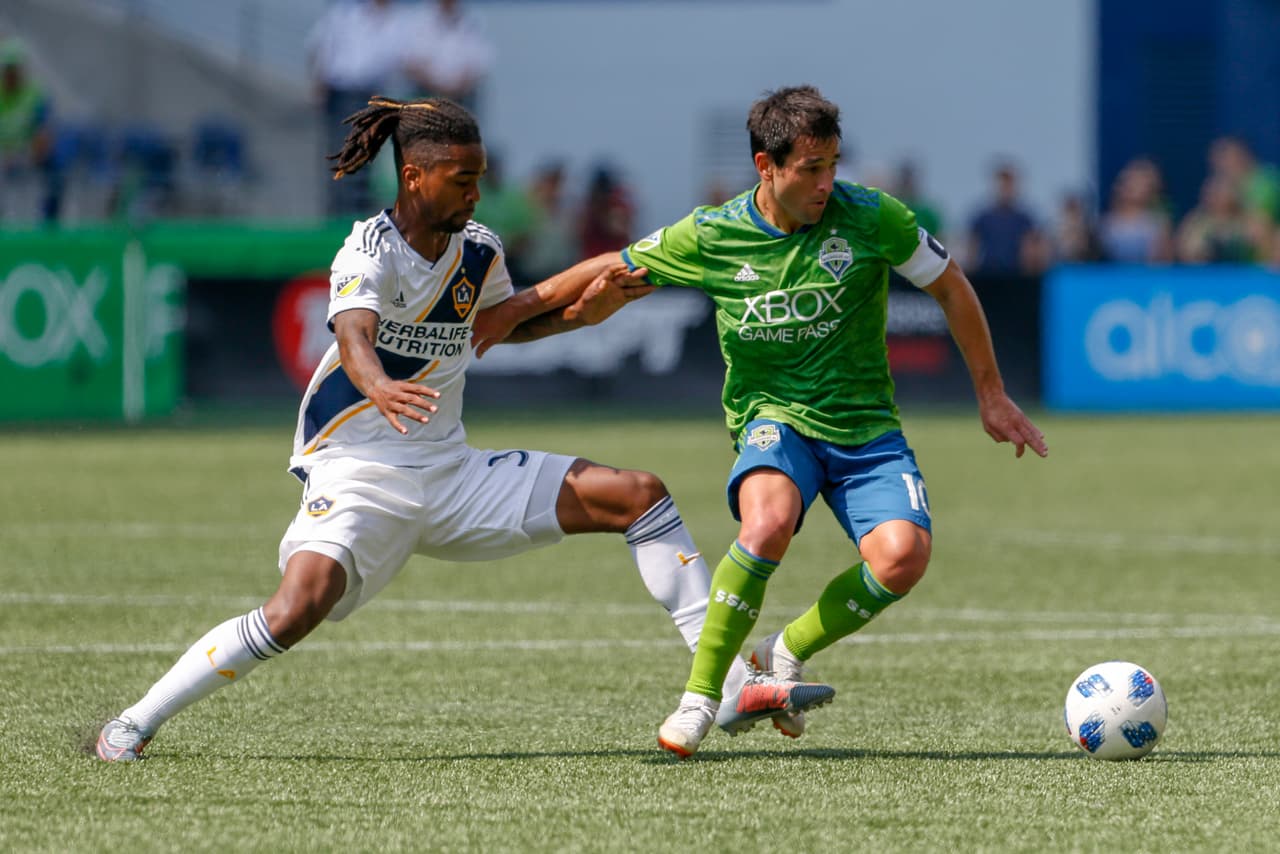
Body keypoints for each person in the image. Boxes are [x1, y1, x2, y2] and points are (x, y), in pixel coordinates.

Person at [95, 95, 826, 762]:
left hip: (450, 473)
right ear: (413, 177)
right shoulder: (368, 251)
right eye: (461, 179)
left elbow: (500, 328)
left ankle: (729, 681)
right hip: (358, 471)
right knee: (294, 609)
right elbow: (352, 333)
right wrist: (379, 385)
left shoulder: (477, 248)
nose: (476, 193)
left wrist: (584, 315)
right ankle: (135, 720)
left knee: (638, 494)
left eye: (479, 178)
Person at [475, 85, 1047, 758]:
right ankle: (700, 699)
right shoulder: (712, 234)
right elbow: (611, 267)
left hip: (866, 427)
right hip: (772, 419)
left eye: (833, 165)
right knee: (768, 522)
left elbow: (951, 284)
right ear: (765, 165)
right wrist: (511, 311)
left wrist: (991, 394)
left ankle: (786, 649)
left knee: (902, 558)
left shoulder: (872, 217)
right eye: (810, 169)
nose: (826, 184)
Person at [305, 0, 407, 215]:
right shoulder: (345, 14)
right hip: (340, 93)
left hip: (370, 95)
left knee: (366, 155)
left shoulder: (398, 22)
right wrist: (319, 82)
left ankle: (356, 212)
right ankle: (336, 211)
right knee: (338, 152)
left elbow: (399, 64)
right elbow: (319, 47)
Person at [0, 36, 61, 222]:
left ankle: (48, 224)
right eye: (7, 69)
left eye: (14, 69)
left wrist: (27, 154)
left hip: (27, 154)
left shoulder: (35, 95)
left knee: (56, 168)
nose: (11, 74)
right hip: (3, 156)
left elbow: (44, 136)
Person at [402, 0, 495, 115]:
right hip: (425, 97)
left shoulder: (472, 21)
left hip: (461, 99)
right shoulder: (418, 20)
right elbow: (410, 63)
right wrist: (438, 88)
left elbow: (480, 64)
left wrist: (456, 88)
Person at [966, 159, 1048, 275]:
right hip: (987, 275)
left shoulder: (1025, 219)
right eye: (1002, 185)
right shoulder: (982, 218)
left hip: (1016, 276)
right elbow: (972, 248)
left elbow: (1031, 251)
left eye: (1009, 185)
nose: (1005, 189)